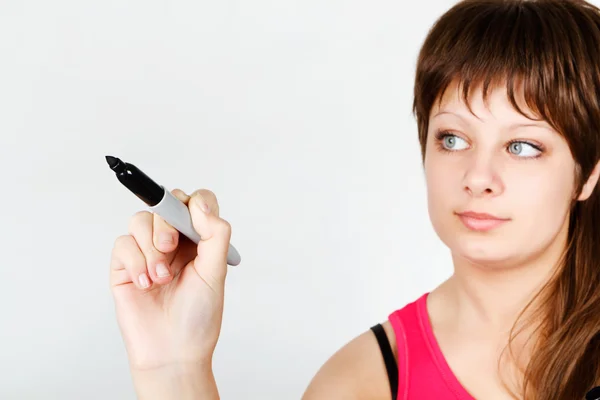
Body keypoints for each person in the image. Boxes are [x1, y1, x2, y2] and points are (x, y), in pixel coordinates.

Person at [108, 0, 600, 398]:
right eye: (452, 138)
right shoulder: (356, 385)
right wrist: (174, 368)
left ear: (588, 173)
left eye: (522, 146)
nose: (478, 176)